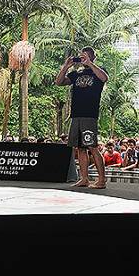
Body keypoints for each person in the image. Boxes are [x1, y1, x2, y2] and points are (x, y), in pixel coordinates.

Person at [55, 46, 109, 189]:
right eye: (81, 56)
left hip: (89, 115)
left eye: (85, 56)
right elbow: (59, 82)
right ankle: (84, 178)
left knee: (92, 146)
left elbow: (104, 78)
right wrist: (66, 66)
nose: (82, 58)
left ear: (92, 57)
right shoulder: (76, 73)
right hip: (76, 115)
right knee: (80, 148)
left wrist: (90, 64)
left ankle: (101, 180)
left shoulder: (98, 70)